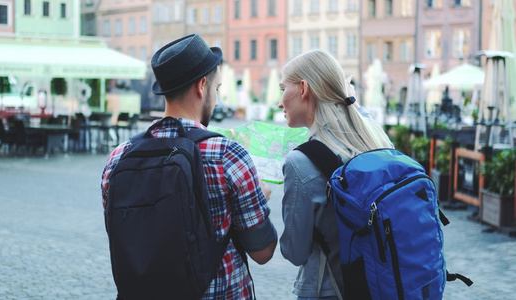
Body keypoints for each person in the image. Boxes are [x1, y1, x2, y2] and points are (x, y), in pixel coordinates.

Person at [101, 34, 278, 299]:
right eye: (216, 90)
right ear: (202, 86)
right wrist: (260, 199)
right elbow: (263, 252)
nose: (217, 101)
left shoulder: (118, 159)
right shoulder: (228, 155)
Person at [278, 49, 393, 300]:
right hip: (384, 282)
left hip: (332, 289)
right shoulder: (373, 135)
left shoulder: (300, 162)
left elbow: (294, 251)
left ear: (304, 89)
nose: (279, 102)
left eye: (282, 88)